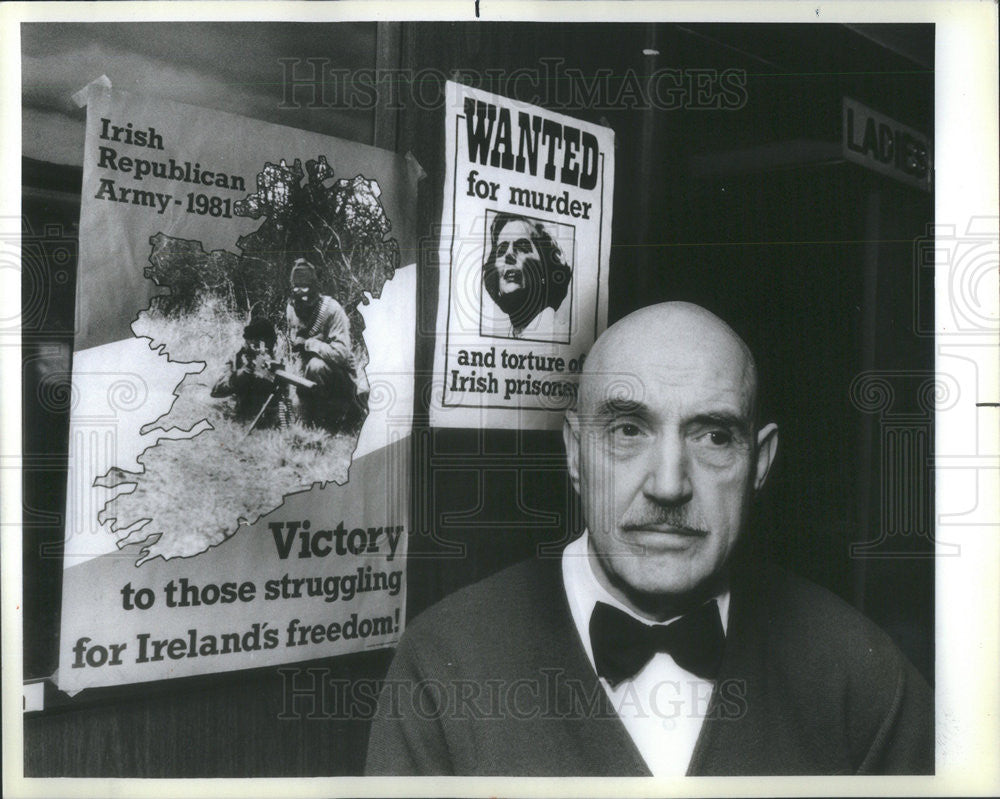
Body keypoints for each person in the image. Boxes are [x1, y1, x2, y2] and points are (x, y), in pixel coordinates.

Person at [365, 302, 933, 776]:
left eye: (713, 436)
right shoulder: (442, 664)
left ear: (759, 464)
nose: (668, 485)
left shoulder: (865, 678)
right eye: (628, 430)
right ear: (575, 452)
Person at [286, 258, 366, 430]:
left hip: (340, 379)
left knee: (316, 366)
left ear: (314, 287)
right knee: (296, 416)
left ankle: (341, 416)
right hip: (308, 376)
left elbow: (341, 354)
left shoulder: (332, 309)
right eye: (296, 287)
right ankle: (315, 420)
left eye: (305, 286)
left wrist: (309, 344)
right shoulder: (292, 309)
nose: (300, 292)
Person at [481, 213, 573, 342]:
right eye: (501, 250)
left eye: (523, 247)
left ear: (546, 267)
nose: (508, 255)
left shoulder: (559, 333)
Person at [210, 315, 290, 429]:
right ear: (249, 341)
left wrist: (272, 377)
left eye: (266, 345)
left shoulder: (275, 361)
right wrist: (245, 372)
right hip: (236, 414)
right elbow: (217, 390)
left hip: (264, 418)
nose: (262, 349)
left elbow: (283, 400)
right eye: (257, 344)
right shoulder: (237, 356)